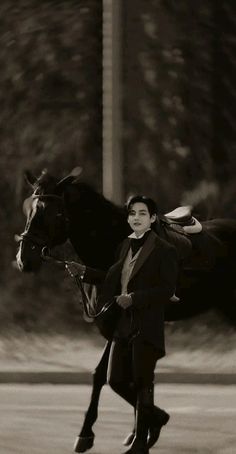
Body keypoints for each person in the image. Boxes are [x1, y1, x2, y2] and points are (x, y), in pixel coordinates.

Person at [66, 195, 178, 454]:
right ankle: (156, 416)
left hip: (147, 325)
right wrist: (83, 271)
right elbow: (112, 278)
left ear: (152, 219)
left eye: (142, 213)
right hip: (123, 326)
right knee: (114, 379)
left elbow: (166, 290)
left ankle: (140, 443)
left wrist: (135, 298)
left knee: (141, 381)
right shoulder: (124, 247)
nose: (136, 218)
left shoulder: (165, 251)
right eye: (132, 214)